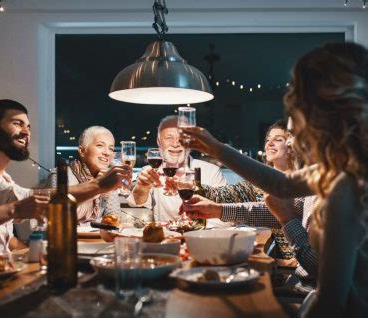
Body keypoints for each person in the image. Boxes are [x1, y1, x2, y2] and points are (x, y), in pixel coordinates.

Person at [181, 43, 368, 317]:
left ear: (321, 116)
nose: (292, 130)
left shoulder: (345, 187)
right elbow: (280, 186)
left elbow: (330, 304)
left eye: (298, 107)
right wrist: (217, 151)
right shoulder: (336, 169)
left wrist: (287, 221)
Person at [0, 99, 131, 264]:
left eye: (28, 127)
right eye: (18, 124)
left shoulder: (3, 176)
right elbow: (22, 201)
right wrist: (98, 186)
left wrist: (27, 251)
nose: (26, 132)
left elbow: (3, 237)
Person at [182, 119, 303, 261]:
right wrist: (193, 189)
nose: (269, 143)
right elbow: (228, 195)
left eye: (278, 139)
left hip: (296, 265)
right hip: (287, 262)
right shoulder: (262, 182)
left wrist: (216, 149)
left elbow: (281, 216)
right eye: (267, 139)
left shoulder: (303, 183)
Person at [127, 115, 227, 221]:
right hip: (167, 236)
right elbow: (137, 201)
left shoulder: (212, 171)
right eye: (169, 138)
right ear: (159, 142)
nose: (175, 144)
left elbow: (225, 218)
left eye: (181, 138)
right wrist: (143, 186)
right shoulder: (150, 171)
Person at [48, 126, 120, 222]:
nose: (107, 152)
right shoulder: (59, 176)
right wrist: (96, 187)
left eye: (111, 149)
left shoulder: (108, 179)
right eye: (100, 145)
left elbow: (114, 218)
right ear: (82, 151)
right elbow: (59, 217)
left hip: (97, 237)